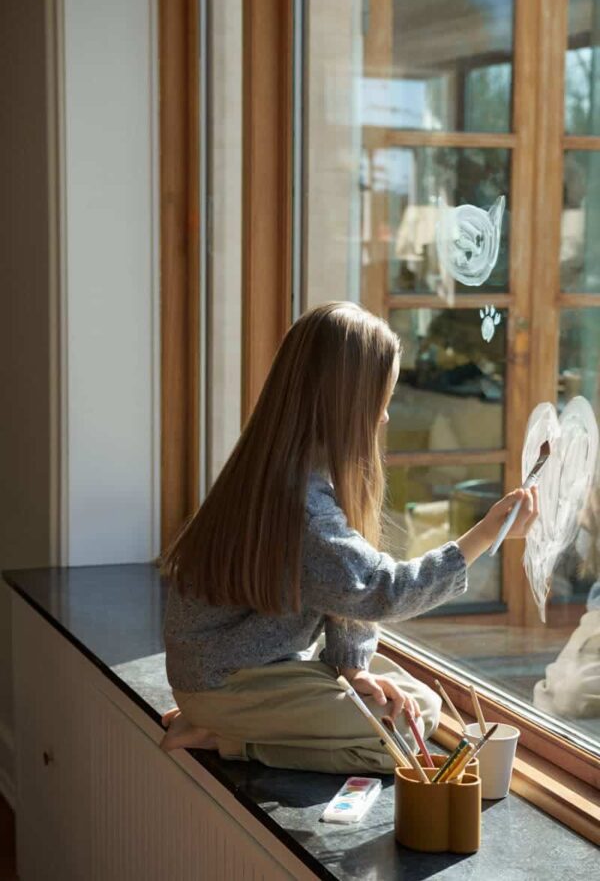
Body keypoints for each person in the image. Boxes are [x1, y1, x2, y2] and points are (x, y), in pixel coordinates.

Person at [160, 302, 538, 773]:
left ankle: (231, 722)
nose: (383, 419)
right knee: (400, 733)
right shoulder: (303, 508)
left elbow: (341, 589)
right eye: (381, 401)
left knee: (419, 702)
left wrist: (351, 665)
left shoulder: (283, 475)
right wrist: (485, 534)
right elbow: (380, 591)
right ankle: (226, 737)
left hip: (247, 671)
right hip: (228, 683)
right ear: (347, 404)